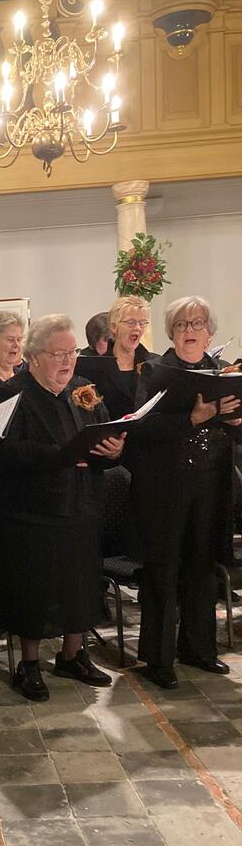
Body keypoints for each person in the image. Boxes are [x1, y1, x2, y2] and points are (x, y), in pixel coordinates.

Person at [0, 314, 124, 702]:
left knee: (80, 585)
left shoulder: (83, 389)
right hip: (31, 512)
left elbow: (102, 431)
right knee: (34, 591)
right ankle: (29, 664)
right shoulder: (11, 394)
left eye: (72, 352)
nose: (68, 361)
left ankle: (72, 655)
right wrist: (60, 455)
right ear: (33, 357)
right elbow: (4, 451)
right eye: (58, 354)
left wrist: (113, 450)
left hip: (81, 504)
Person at [128, 295, 241, 689]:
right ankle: (158, 659)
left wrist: (235, 421)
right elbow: (139, 429)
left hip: (211, 485)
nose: (190, 330)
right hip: (166, 488)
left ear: (210, 332)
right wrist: (192, 418)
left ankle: (198, 648)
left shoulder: (224, 373)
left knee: (202, 568)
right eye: (181, 324)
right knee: (164, 572)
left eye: (197, 324)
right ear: (171, 333)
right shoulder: (154, 372)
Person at [78, 297, 157, 420]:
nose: (138, 328)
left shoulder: (155, 364)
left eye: (142, 323)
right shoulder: (94, 367)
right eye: (131, 322)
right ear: (114, 327)